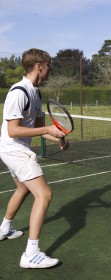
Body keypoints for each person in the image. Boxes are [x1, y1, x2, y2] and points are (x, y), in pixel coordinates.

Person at [0, 48, 69, 268]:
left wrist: (56, 138)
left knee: (22, 189)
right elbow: (14, 130)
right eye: (48, 66)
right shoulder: (18, 91)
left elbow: (38, 128)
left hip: (13, 149)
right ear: (39, 66)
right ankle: (31, 254)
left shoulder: (35, 93)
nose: (49, 71)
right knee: (44, 195)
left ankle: (4, 229)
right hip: (15, 149)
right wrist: (47, 128)